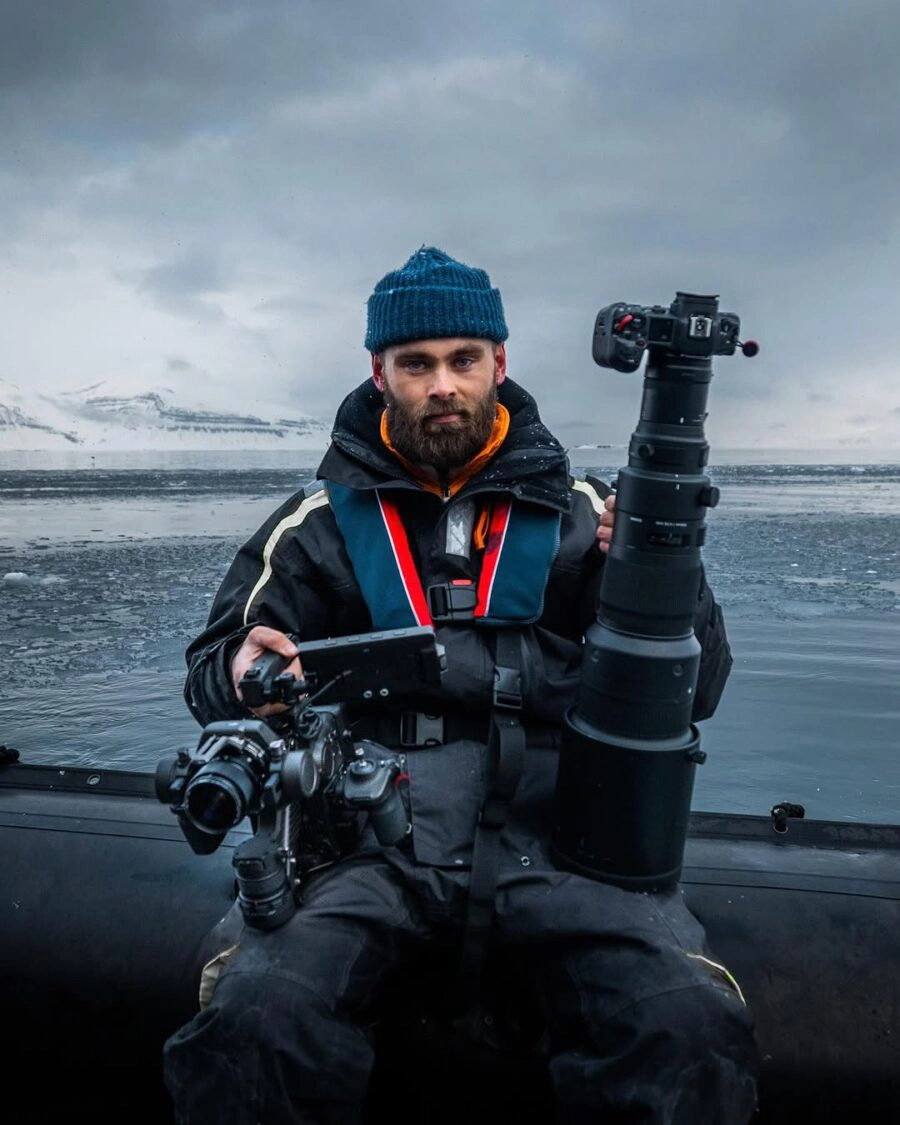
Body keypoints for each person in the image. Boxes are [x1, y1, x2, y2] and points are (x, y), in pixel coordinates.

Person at [163, 246, 759, 1124]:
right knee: (257, 1018)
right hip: (366, 849)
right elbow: (212, 672)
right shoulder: (315, 527)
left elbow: (700, 689)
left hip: (565, 848)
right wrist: (244, 672)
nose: (442, 384)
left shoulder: (588, 514)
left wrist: (664, 575)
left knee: (685, 1023)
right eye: (416, 364)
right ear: (379, 374)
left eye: (462, 360)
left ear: (498, 363)